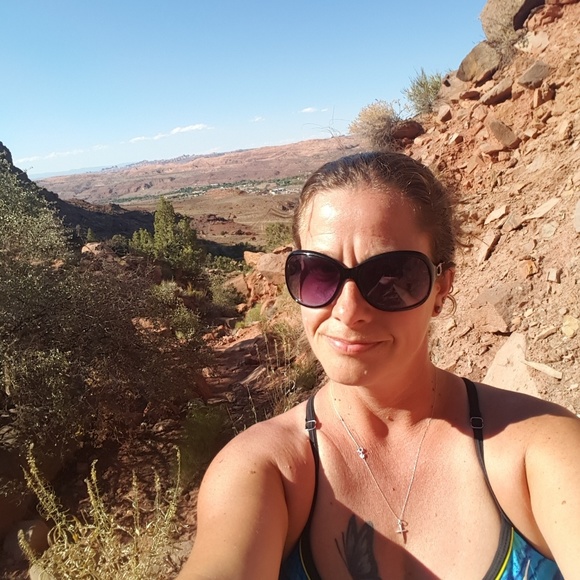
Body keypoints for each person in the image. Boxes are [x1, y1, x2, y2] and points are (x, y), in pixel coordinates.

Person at [177, 151, 579, 579]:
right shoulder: (266, 471)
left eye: (392, 277)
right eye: (319, 273)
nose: (348, 311)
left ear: (441, 288)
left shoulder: (540, 449)